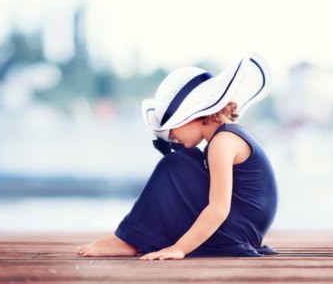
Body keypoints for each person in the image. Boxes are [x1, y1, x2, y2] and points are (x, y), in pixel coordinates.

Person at [76, 52, 278, 260]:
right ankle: (132, 239)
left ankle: (129, 239)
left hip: (238, 231)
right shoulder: (225, 136)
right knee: (181, 159)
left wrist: (179, 248)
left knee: (173, 164)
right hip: (242, 226)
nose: (171, 136)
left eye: (172, 127)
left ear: (196, 115)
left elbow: (218, 209)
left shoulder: (222, 143)